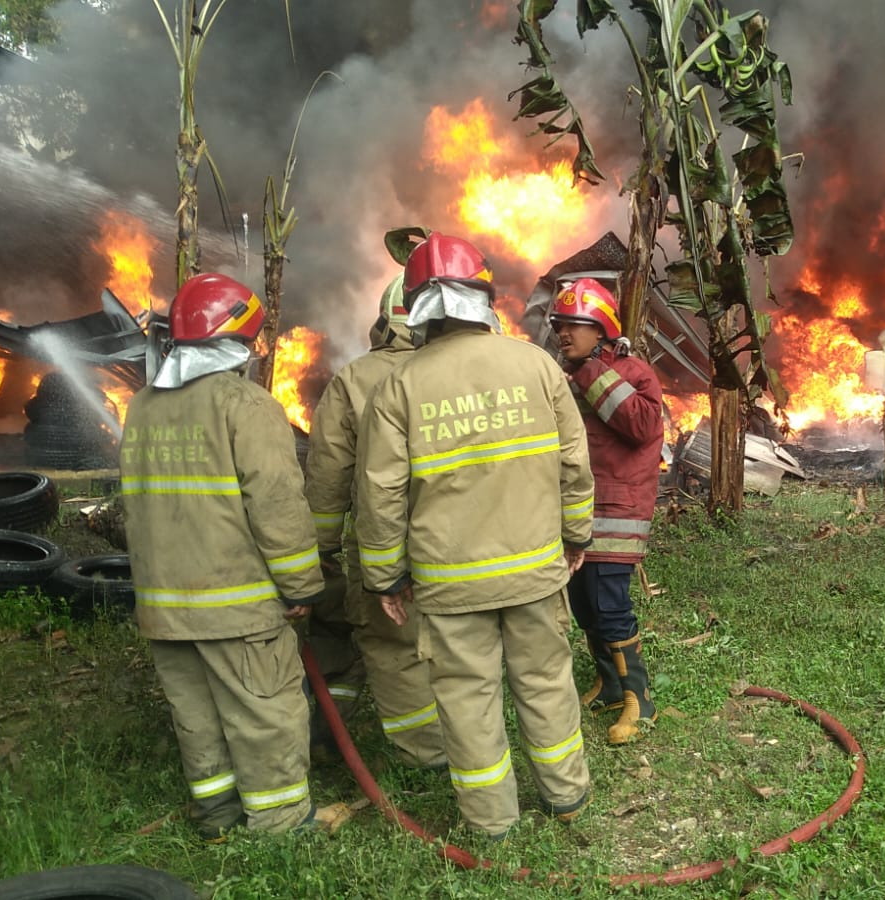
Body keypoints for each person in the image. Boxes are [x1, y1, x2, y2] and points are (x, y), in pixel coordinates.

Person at [354, 233, 596, 839]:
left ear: (417, 306)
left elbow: (379, 495)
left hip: (449, 583)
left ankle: (491, 822)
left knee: (466, 698)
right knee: (546, 679)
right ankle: (567, 794)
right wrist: (576, 536)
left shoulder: (398, 386)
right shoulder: (537, 366)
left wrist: (385, 577)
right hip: (534, 569)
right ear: (483, 298)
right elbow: (575, 464)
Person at [120, 272, 347, 839]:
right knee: (265, 710)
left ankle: (217, 812)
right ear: (238, 342)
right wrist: (301, 586)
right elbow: (277, 505)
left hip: (163, 605)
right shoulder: (246, 405)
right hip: (236, 605)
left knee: (195, 713)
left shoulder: (142, 408)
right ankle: (280, 822)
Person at [304, 274, 446, 771]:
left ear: (386, 319)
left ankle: (428, 756)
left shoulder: (356, 379)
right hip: (467, 540)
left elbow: (329, 475)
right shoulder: (467, 368)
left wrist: (320, 548)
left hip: (387, 543)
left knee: (391, 642)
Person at [548, 278, 664, 745]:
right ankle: (611, 685)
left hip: (616, 512)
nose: (563, 333)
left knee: (609, 606)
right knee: (583, 605)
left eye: (574, 325)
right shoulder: (565, 375)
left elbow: (642, 424)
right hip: (575, 512)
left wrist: (592, 371)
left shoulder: (634, 372)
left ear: (600, 329)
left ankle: (640, 699)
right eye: (559, 325)